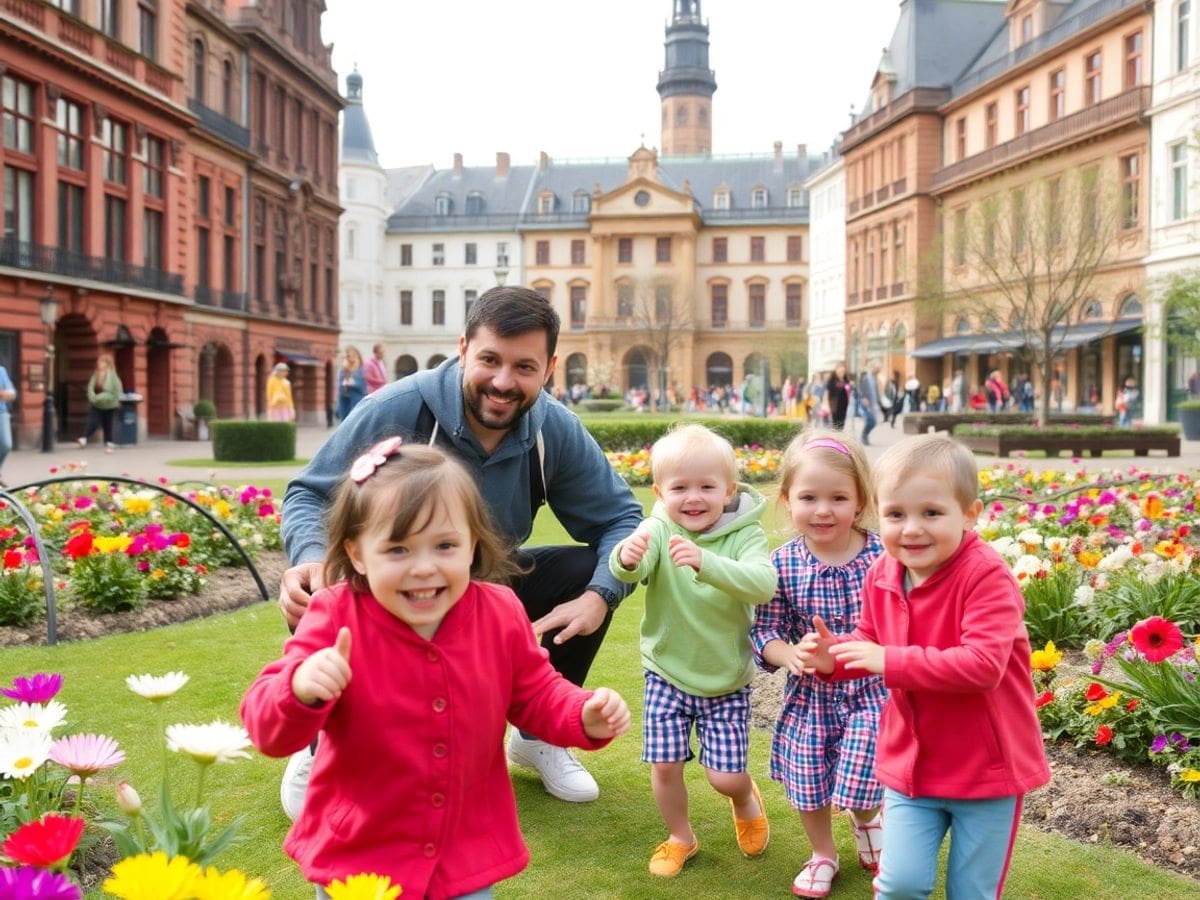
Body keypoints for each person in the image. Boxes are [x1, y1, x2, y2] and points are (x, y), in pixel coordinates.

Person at [278, 286, 644, 816]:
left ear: (549, 369)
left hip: (484, 591)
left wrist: (600, 595)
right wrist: (311, 558)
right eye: (490, 360)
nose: (503, 381)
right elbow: (311, 494)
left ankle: (539, 736)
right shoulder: (396, 409)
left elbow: (622, 520)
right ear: (464, 349)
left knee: (588, 569)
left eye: (524, 367)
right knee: (334, 589)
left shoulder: (554, 429)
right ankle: (323, 741)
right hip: (395, 591)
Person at [242, 441, 631, 899]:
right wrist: (300, 688)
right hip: (359, 855)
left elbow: (537, 692)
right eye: (398, 549)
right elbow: (266, 726)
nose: (424, 568)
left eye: (445, 545)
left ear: (472, 544)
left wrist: (581, 714)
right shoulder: (335, 613)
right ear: (358, 553)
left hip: (461, 855)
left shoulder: (499, 611)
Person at [796, 434, 1050, 900]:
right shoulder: (882, 572)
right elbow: (870, 640)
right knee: (900, 884)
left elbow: (982, 666)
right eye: (896, 514)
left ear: (969, 514)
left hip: (987, 771)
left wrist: (889, 660)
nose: (911, 529)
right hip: (911, 767)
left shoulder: (986, 575)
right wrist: (833, 657)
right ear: (878, 513)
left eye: (931, 513)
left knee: (971, 892)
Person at [608, 425, 776, 877]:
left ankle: (744, 797)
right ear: (660, 492)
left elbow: (763, 584)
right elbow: (632, 567)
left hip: (726, 677)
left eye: (707, 487)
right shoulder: (659, 526)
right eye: (680, 488)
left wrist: (707, 562)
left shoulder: (745, 534)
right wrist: (625, 558)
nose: (693, 498)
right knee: (665, 766)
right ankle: (681, 836)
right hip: (666, 670)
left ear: (729, 490)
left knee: (725, 777)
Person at [752, 432, 885, 897]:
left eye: (838, 498)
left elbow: (906, 617)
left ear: (860, 500)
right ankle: (823, 854)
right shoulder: (781, 565)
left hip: (872, 688)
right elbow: (763, 631)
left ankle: (868, 822)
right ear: (787, 500)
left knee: (864, 769)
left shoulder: (883, 557)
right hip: (812, 695)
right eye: (809, 498)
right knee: (808, 777)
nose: (823, 510)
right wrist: (788, 654)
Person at [77, 354, 122, 452]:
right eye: (99, 361)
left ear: (107, 364)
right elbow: (90, 387)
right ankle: (83, 438)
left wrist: (99, 397)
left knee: (108, 424)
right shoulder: (96, 374)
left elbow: (114, 392)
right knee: (93, 422)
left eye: (102, 361)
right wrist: (92, 397)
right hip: (97, 404)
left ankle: (109, 442)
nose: (99, 363)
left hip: (110, 405)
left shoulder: (113, 377)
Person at [335, 348, 367, 421]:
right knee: (344, 422)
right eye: (347, 356)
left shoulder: (360, 369)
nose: (348, 358)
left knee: (355, 421)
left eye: (349, 356)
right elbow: (341, 387)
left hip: (356, 401)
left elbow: (361, 387)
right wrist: (346, 370)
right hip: (344, 401)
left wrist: (352, 383)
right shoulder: (343, 370)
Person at [857, 363, 883, 446]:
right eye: (878, 368)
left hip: (873, 403)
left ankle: (864, 436)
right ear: (873, 367)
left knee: (873, 421)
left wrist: (879, 401)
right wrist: (863, 398)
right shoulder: (865, 377)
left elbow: (875, 391)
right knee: (871, 421)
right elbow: (860, 389)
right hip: (866, 403)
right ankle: (864, 436)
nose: (879, 370)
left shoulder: (874, 377)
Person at [0, 364, 15, 488]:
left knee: (6, 444)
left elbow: (12, 393)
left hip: (1, 412)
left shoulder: (1, 370)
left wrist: (4, 394)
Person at [825, 365, 850, 431]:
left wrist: (849, 399)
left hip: (844, 404)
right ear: (836, 371)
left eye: (843, 371)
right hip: (834, 404)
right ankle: (836, 434)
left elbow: (848, 391)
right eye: (839, 371)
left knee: (842, 422)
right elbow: (827, 392)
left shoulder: (846, 380)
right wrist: (826, 403)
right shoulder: (832, 380)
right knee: (836, 423)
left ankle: (840, 433)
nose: (841, 373)